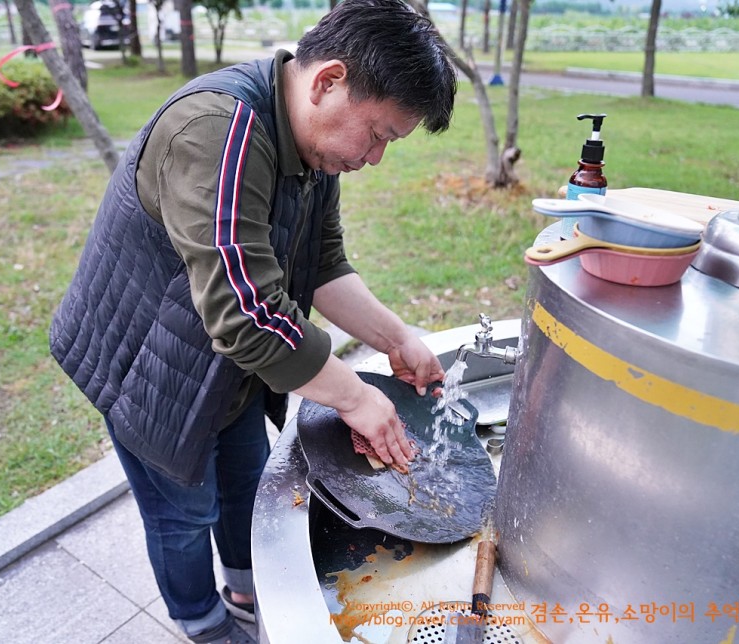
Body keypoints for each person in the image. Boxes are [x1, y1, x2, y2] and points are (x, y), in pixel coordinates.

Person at [49, 0, 457, 641]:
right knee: (183, 512)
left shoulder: (315, 146)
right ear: (328, 81)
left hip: (225, 361)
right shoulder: (218, 130)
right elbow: (245, 311)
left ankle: (245, 592)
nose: (376, 157)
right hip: (145, 365)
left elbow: (322, 265)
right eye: (379, 135)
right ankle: (201, 621)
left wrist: (397, 337)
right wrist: (354, 397)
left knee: (246, 482)